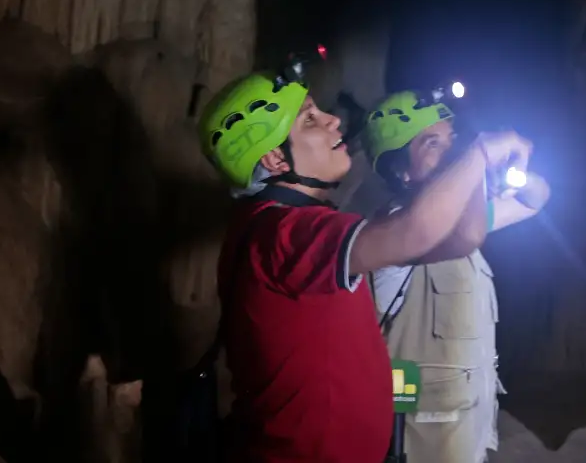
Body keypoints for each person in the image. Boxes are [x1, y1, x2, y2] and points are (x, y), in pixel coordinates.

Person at [198, 68, 531, 463]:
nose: (332, 120)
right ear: (273, 158)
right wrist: (478, 153)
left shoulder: (275, 226)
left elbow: (462, 238)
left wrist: (467, 167)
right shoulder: (285, 233)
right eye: (309, 119)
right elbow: (416, 230)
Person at [362, 89, 552, 463]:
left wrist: (511, 176)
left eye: (453, 141)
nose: (452, 152)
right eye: (432, 144)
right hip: (419, 429)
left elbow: (537, 198)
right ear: (401, 170)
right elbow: (465, 236)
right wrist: (478, 162)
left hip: (466, 419)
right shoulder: (394, 230)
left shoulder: (461, 218)